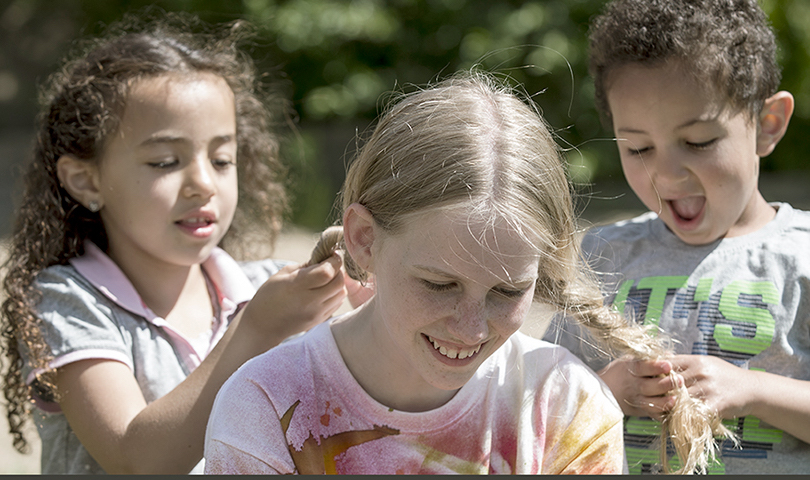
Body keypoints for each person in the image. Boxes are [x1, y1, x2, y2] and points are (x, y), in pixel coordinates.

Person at [203, 72, 727, 475]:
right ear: (364, 238)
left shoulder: (565, 405)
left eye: (508, 291)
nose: (471, 328)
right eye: (439, 284)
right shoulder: (268, 406)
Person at [0, 12, 350, 474]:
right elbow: (135, 460)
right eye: (166, 162)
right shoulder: (67, 301)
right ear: (86, 181)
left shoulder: (267, 290)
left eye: (221, 159)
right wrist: (256, 330)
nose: (203, 183)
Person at [544, 0, 810, 474]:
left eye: (698, 141)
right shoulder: (602, 257)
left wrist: (754, 390)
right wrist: (606, 388)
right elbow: (539, 403)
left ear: (767, 125)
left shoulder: (801, 255)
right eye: (638, 148)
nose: (666, 174)